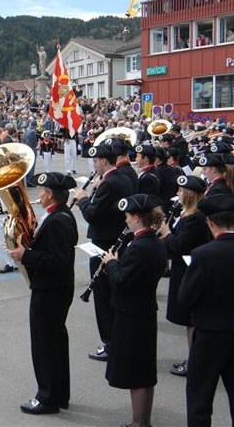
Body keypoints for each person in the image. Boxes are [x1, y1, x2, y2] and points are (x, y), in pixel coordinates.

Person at [10, 172, 78, 414]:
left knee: (45, 345)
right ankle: (59, 394)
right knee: (55, 343)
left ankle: (48, 397)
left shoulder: (58, 220)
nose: (38, 195)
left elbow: (57, 260)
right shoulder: (60, 215)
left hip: (50, 290)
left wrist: (25, 255)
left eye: (41, 191)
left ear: (50, 194)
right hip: (55, 289)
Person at [102, 194, 166, 427]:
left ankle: (140, 423)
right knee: (144, 372)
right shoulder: (154, 242)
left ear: (138, 217)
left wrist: (111, 262)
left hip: (132, 314)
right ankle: (142, 421)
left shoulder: (140, 246)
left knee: (136, 373)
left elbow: (121, 280)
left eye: (128, 216)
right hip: (144, 311)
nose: (126, 221)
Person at [73, 143, 135, 361]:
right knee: (112, 294)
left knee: (102, 294)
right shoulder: (122, 177)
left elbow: (92, 214)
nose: (95, 165)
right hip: (116, 238)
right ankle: (116, 341)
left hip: (104, 242)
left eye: (96, 161)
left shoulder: (110, 183)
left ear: (104, 161)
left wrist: (82, 199)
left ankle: (110, 343)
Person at [179, 194, 234, 426]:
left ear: (210, 223)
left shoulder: (203, 255)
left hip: (210, 332)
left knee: (200, 395)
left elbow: (186, 298)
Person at [158, 175, 212, 377]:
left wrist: (166, 234)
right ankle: (194, 358)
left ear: (189, 194)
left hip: (188, 271)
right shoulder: (188, 214)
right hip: (184, 270)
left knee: (191, 320)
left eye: (180, 191)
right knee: (190, 321)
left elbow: (181, 246)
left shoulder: (194, 219)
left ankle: (195, 362)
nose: (178, 194)